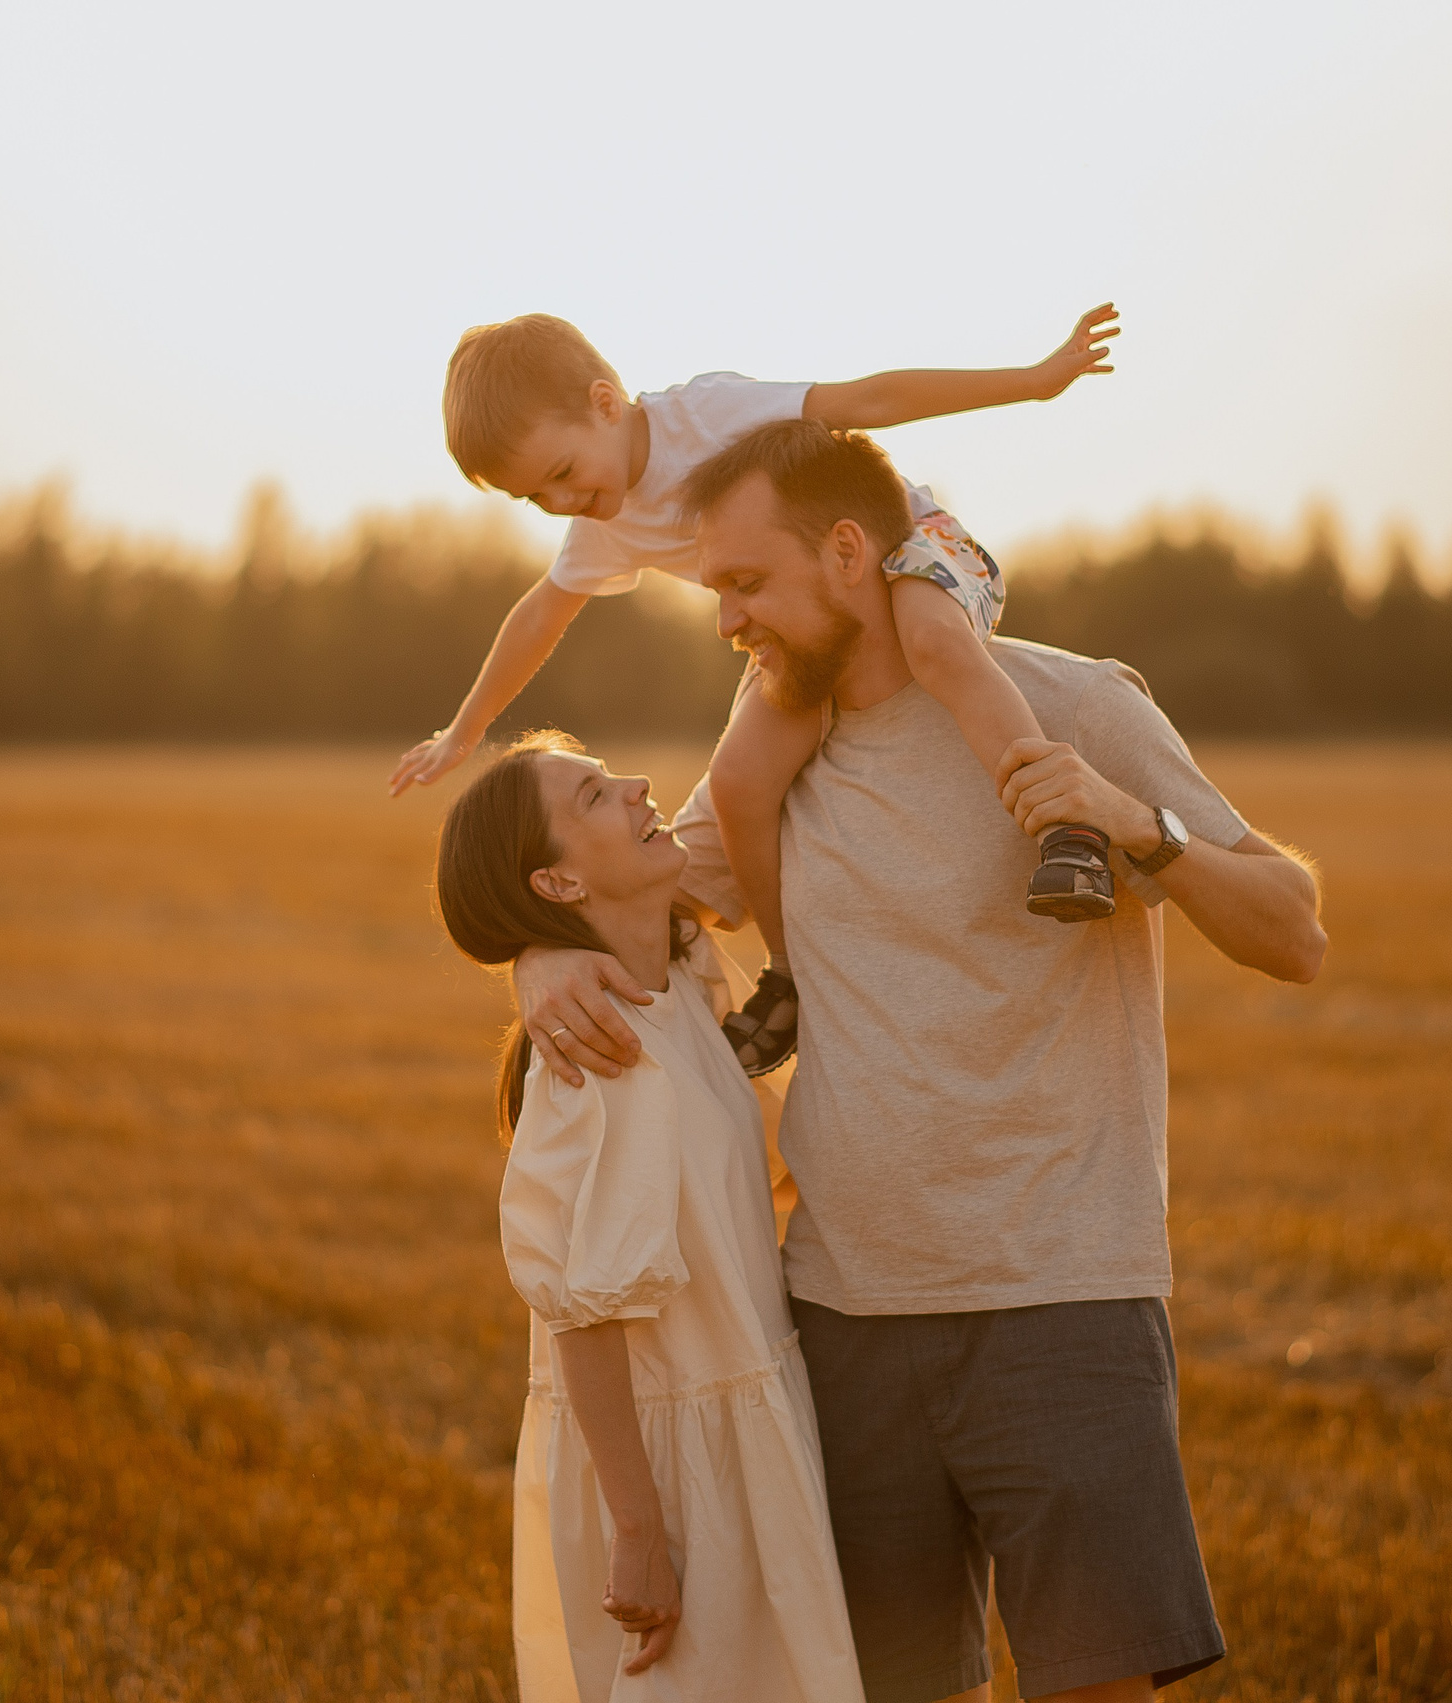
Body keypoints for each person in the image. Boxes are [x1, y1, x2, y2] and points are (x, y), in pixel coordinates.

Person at [514, 420, 1329, 1703]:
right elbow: (623, 892)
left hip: (1062, 1300)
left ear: (851, 552)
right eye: (715, 587)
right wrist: (536, 959)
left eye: (748, 582)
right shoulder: (775, 756)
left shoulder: (1074, 704)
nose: (726, 619)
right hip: (843, 1325)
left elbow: (1295, 932)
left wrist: (1129, 823)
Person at [392, 304, 1125, 1079]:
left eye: (563, 473)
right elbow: (540, 615)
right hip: (805, 627)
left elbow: (867, 399)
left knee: (935, 643)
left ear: (605, 403)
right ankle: (787, 974)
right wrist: (464, 729)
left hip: (909, 543)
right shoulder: (604, 526)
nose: (563, 503)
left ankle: (1067, 832)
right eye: (537, 498)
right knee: (740, 778)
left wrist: (1034, 381)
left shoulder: (706, 414)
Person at [433, 729, 864, 1703]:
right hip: (669, 1467)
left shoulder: (683, 981)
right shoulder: (601, 1058)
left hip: (746, 1416)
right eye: (593, 795)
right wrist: (638, 1529)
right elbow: (585, 1314)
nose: (635, 784)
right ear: (557, 882)